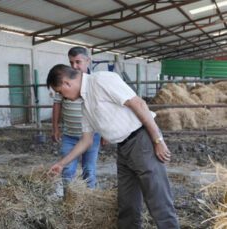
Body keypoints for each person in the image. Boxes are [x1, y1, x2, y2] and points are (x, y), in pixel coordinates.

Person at [47, 64, 179, 229]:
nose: (62, 97)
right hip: (123, 148)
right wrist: (61, 164)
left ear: (67, 83)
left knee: (158, 198)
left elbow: (138, 104)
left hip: (141, 140)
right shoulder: (85, 104)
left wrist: (157, 140)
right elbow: (86, 141)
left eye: (60, 91)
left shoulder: (102, 80)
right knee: (127, 203)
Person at [52, 46, 101, 190]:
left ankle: (90, 198)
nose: (74, 66)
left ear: (88, 61)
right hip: (70, 134)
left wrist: (104, 133)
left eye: (78, 62)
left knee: (89, 169)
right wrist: (55, 127)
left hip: (93, 134)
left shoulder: (95, 82)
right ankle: (69, 200)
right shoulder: (64, 82)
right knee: (67, 169)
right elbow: (57, 105)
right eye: (71, 62)